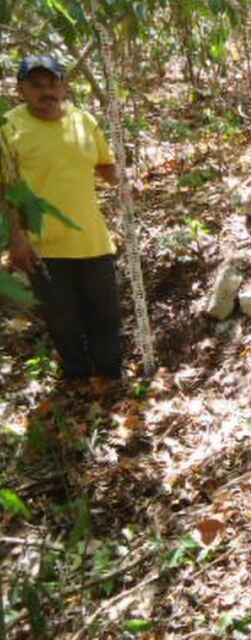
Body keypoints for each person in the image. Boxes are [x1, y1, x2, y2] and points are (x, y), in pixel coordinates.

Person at [1, 54, 124, 391]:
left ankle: (111, 377)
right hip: (43, 246)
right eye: (36, 85)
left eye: (53, 83)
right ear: (21, 90)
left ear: (64, 86)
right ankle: (77, 379)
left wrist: (125, 181)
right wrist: (17, 238)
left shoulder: (83, 121)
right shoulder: (9, 128)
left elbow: (105, 165)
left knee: (105, 313)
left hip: (92, 239)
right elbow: (5, 188)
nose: (47, 92)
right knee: (62, 319)